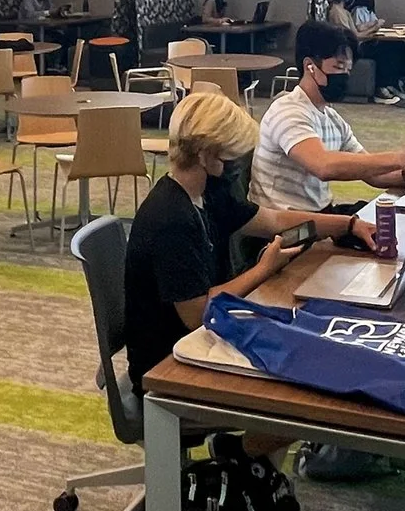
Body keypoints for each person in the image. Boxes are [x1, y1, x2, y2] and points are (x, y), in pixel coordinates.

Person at [123, 91, 375, 394]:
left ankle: (245, 443)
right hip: (167, 363)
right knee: (301, 381)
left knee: (308, 349)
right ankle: (242, 444)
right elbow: (195, 314)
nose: (240, 165)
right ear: (206, 155)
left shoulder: (205, 193)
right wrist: (264, 269)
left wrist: (347, 224)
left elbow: (273, 220)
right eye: (234, 156)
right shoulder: (172, 219)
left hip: (201, 337)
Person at [252, 21, 405, 211]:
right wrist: (399, 158)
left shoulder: (331, 117)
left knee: (388, 218)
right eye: (339, 67)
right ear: (310, 66)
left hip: (318, 216)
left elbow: (373, 174)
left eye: (348, 69)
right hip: (285, 227)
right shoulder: (287, 111)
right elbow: (323, 165)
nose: (345, 76)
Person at [351, 0, 405, 105]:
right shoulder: (358, 10)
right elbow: (359, 28)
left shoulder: (370, 11)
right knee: (385, 52)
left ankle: (396, 80)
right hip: (363, 45)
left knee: (398, 44)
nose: (369, 0)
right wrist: (375, 25)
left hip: (372, 40)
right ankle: (382, 87)